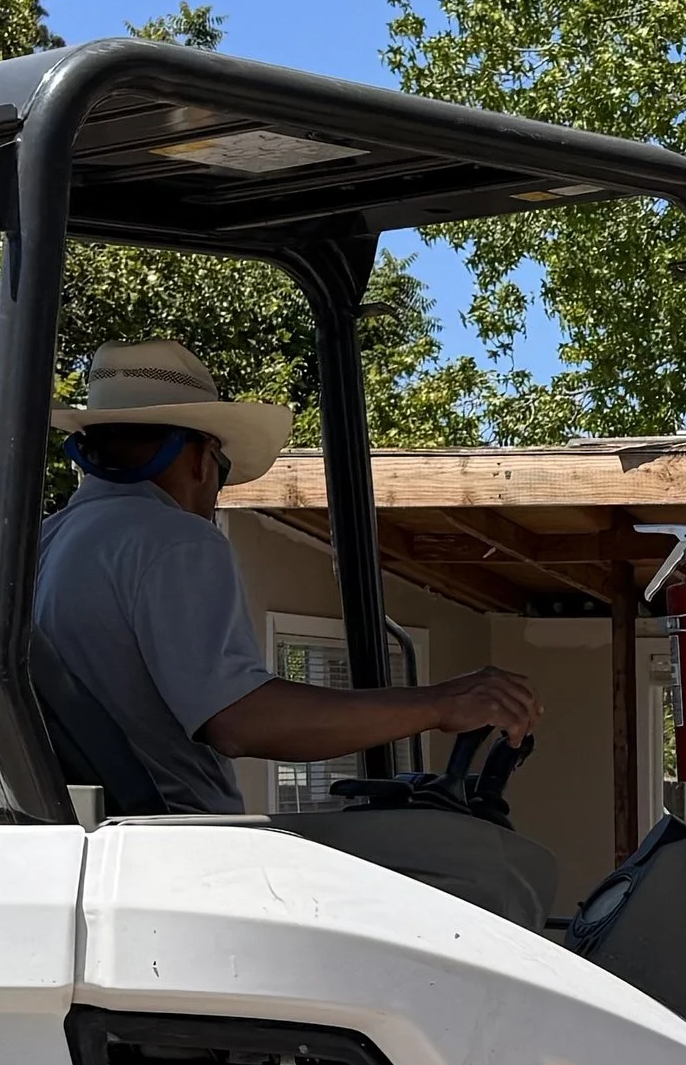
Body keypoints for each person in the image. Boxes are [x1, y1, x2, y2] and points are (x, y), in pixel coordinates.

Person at [34, 338, 536, 812]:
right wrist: (440, 704)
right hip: (177, 845)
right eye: (222, 468)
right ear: (200, 458)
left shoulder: (43, 543)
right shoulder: (174, 539)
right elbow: (241, 722)